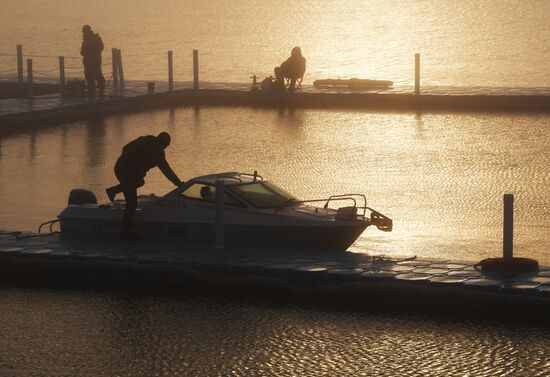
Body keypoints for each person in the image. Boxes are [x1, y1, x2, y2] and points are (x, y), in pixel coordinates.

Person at [106, 132, 183, 240]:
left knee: (140, 182)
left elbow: (125, 147)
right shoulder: (158, 152)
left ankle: (113, 191)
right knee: (132, 203)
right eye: (166, 145)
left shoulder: (146, 139)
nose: (165, 148)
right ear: (163, 143)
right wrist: (178, 183)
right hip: (126, 172)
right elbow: (166, 170)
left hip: (121, 167)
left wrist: (127, 160)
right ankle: (125, 232)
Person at [80, 25, 106, 96]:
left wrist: (93, 53)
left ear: (87, 31)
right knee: (89, 75)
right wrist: (84, 52)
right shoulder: (86, 39)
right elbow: (83, 50)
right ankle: (92, 89)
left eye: (84, 31)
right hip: (88, 61)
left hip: (94, 61)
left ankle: (101, 88)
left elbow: (101, 47)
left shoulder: (94, 38)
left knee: (97, 74)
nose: (83, 33)